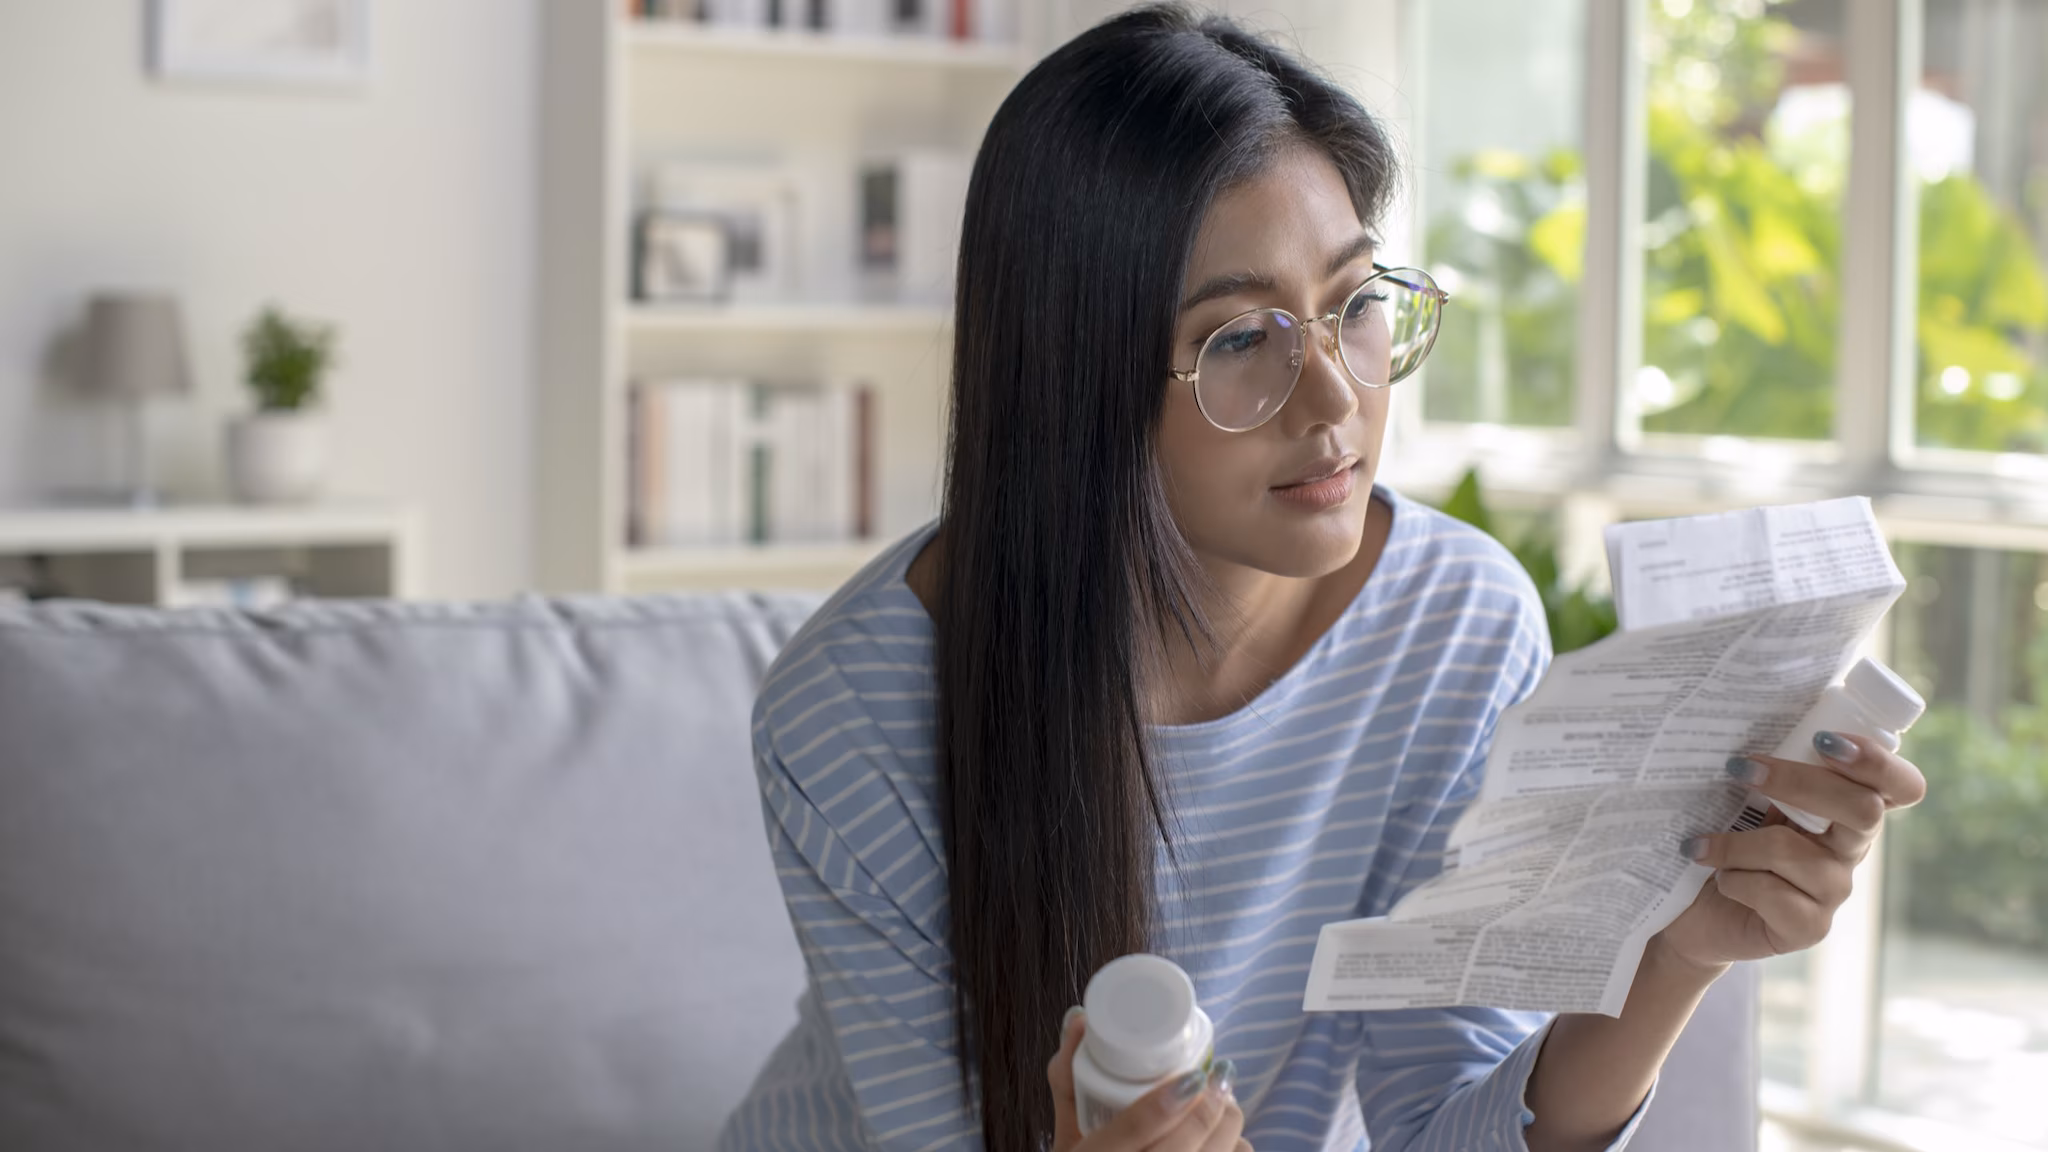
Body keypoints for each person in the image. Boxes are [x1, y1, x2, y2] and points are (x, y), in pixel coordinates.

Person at [717, 5, 1927, 1150]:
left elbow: (1439, 1124)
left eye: (1351, 305)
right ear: (1072, 383)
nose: (1337, 397)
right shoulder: (851, 715)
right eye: (1239, 338)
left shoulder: (1451, 626)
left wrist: (1679, 949)